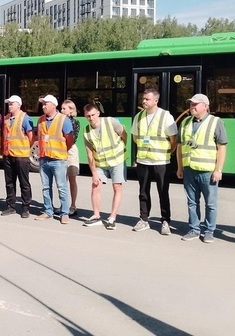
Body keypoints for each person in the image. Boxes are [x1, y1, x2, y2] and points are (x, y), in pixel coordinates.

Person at [176, 94, 227, 243]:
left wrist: (218, 170)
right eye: (191, 104)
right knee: (192, 202)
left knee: (210, 203)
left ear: (205, 106)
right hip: (189, 169)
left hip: (208, 171)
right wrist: (180, 167)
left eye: (195, 104)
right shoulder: (185, 122)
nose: (192, 107)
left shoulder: (215, 122)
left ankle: (209, 231)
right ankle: (194, 229)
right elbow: (180, 147)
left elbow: (222, 147)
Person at [131, 88, 177, 235]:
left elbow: (173, 140)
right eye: (143, 98)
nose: (144, 101)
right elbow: (135, 137)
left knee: (163, 192)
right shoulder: (138, 116)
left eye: (147, 99)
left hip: (161, 161)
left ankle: (165, 221)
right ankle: (144, 219)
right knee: (143, 192)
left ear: (155, 101)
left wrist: (167, 152)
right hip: (143, 160)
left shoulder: (166, 116)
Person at [82, 103, 127, 229]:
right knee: (95, 186)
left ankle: (112, 218)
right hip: (100, 162)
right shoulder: (86, 132)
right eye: (88, 116)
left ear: (98, 113)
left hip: (117, 160)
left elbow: (124, 134)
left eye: (93, 115)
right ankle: (96, 216)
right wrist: (94, 173)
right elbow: (89, 154)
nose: (91, 118)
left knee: (117, 187)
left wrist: (123, 147)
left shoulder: (110, 122)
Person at [35, 95, 74, 224]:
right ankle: (48, 211)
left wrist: (62, 150)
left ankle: (64, 213)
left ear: (53, 105)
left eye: (46, 104)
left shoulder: (63, 120)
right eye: (43, 104)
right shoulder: (40, 120)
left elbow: (70, 138)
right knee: (46, 187)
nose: (43, 106)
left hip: (58, 159)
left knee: (61, 187)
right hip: (44, 158)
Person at [2, 95, 33, 218]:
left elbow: (31, 136)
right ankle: (11, 206)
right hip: (8, 155)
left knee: (24, 183)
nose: (9, 106)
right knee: (9, 182)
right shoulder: (6, 118)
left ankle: (25, 207)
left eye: (11, 104)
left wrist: (24, 148)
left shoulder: (25, 118)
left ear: (18, 105)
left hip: (21, 156)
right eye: (8, 104)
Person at [61, 99, 80, 216]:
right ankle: (63, 205)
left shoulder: (75, 122)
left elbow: (72, 138)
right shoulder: (58, 120)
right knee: (62, 180)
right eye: (61, 108)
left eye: (64, 108)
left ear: (71, 110)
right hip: (60, 151)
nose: (61, 110)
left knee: (72, 179)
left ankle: (73, 205)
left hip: (70, 150)